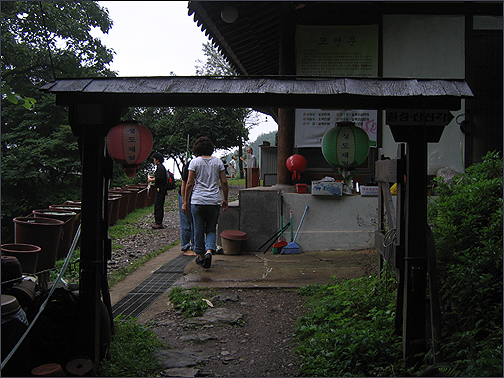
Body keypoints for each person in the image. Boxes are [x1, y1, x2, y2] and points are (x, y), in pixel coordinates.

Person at [182, 137, 228, 269]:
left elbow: (189, 183)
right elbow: (224, 182)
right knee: (211, 229)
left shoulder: (194, 162)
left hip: (198, 200)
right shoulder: (218, 162)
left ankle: (201, 256)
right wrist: (225, 199)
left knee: (198, 229)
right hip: (213, 201)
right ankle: (209, 251)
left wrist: (185, 201)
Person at [179, 158, 195, 255]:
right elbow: (184, 185)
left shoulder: (194, 164)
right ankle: (185, 246)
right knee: (187, 222)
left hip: (196, 196)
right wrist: (185, 201)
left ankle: (194, 245)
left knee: (193, 222)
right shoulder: (190, 165)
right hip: (186, 195)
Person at [148, 152, 167, 229]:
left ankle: (158, 223)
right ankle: (159, 222)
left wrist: (151, 179)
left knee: (158, 205)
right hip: (162, 189)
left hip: (160, 189)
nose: (154, 161)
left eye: (154, 159)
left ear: (157, 160)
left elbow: (159, 178)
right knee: (159, 205)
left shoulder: (160, 168)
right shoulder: (161, 167)